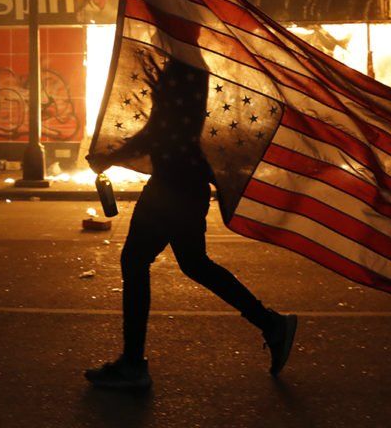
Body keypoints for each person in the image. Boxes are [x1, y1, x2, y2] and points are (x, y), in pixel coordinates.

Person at [84, 57, 298, 390]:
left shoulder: (183, 66)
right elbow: (162, 128)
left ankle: (133, 365)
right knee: (194, 264)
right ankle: (270, 323)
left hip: (173, 185)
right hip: (185, 183)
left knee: (136, 261)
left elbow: (160, 130)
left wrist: (110, 157)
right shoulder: (186, 64)